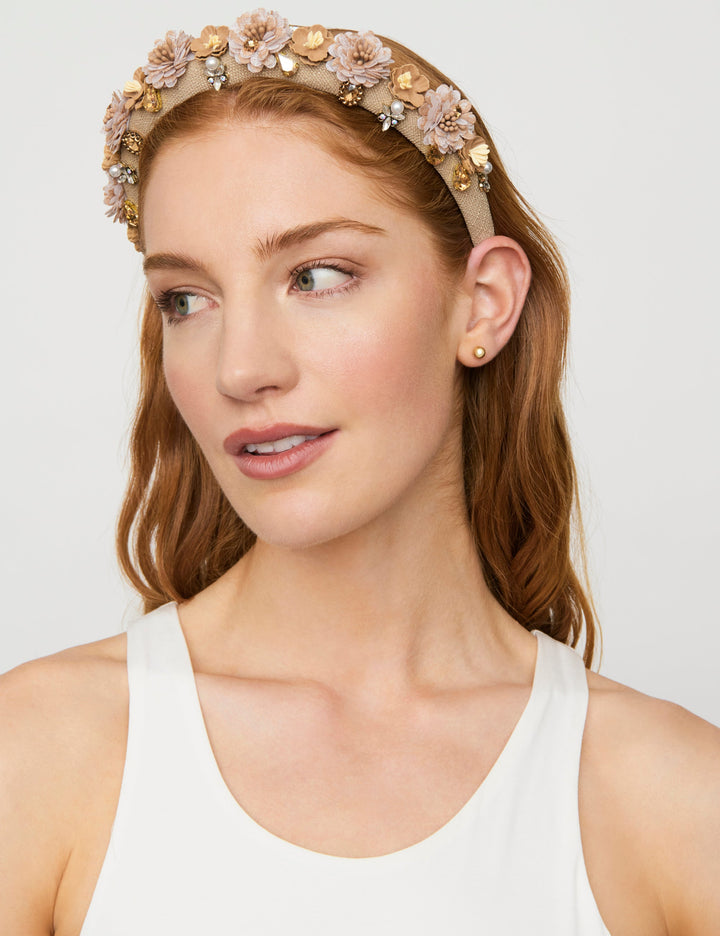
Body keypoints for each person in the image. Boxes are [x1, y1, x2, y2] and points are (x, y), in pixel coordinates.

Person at [1, 9, 718, 934]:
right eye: (186, 298)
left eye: (317, 276)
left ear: (483, 303)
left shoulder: (674, 801)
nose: (240, 369)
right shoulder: (38, 755)